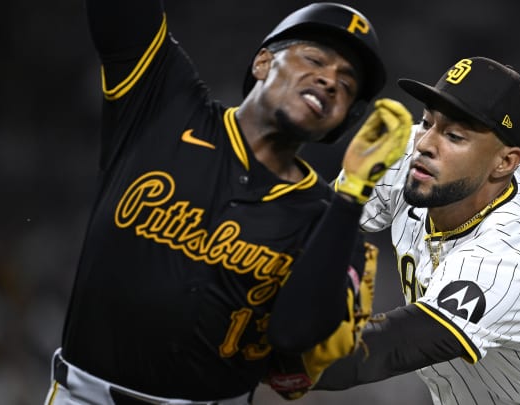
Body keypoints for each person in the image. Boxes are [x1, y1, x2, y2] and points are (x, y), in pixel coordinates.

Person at [44, 1, 411, 404]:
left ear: (342, 121)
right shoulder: (163, 103)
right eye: (314, 59)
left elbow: (294, 335)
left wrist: (353, 194)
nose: (328, 81)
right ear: (262, 63)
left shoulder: (332, 223)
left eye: (346, 84)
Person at [304, 57, 520, 404]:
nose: (426, 143)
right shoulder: (420, 159)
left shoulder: (508, 256)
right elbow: (306, 231)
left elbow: (393, 347)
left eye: (455, 135)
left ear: (505, 162)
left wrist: (269, 356)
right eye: (428, 121)